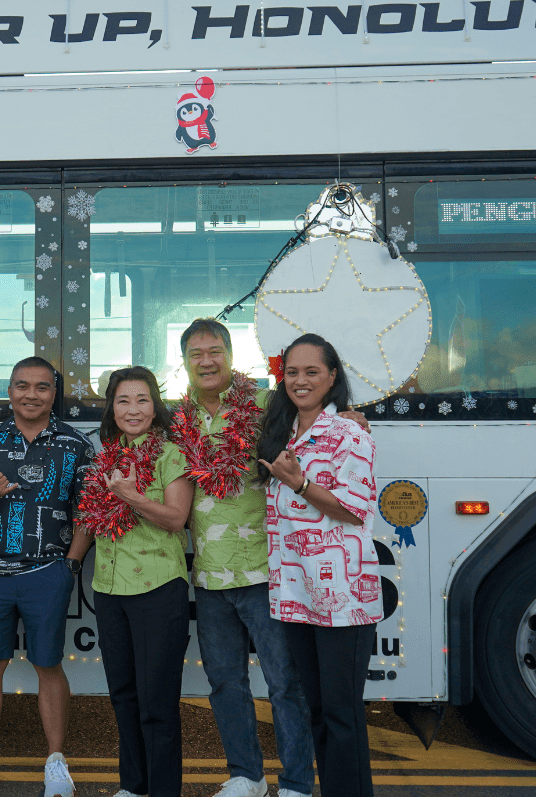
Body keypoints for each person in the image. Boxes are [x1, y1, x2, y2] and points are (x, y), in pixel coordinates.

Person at [172, 318, 315, 797]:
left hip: (265, 569)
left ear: (231, 356)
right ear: (185, 361)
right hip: (208, 574)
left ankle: (296, 782)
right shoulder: (178, 417)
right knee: (226, 684)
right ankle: (246, 777)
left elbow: (315, 420)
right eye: (196, 353)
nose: (206, 361)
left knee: (284, 683)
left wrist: (348, 412)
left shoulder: (266, 405)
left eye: (215, 351)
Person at [0, 356, 94, 797]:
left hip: (49, 572)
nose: (31, 395)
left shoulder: (77, 445)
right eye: (21, 386)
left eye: (41, 387)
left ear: (54, 393)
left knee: (48, 665)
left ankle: (56, 762)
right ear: (9, 391)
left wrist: (69, 566)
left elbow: (88, 514)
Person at [258, 333, 381, 797]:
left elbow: (355, 509)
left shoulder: (351, 433)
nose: (301, 380)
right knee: (317, 711)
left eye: (312, 371)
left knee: (342, 714)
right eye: (292, 372)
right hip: (295, 595)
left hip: (343, 597)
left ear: (332, 377)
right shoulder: (281, 430)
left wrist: (301, 482)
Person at [75, 367, 194, 797]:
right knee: (123, 696)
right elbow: (91, 520)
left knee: (157, 702)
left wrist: (131, 496)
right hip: (108, 589)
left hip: (158, 590)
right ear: (111, 407)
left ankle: (163, 790)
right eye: (123, 400)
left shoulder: (171, 454)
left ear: (155, 405)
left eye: (142, 400)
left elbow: (176, 519)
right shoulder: (106, 455)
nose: (133, 409)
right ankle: (134, 786)